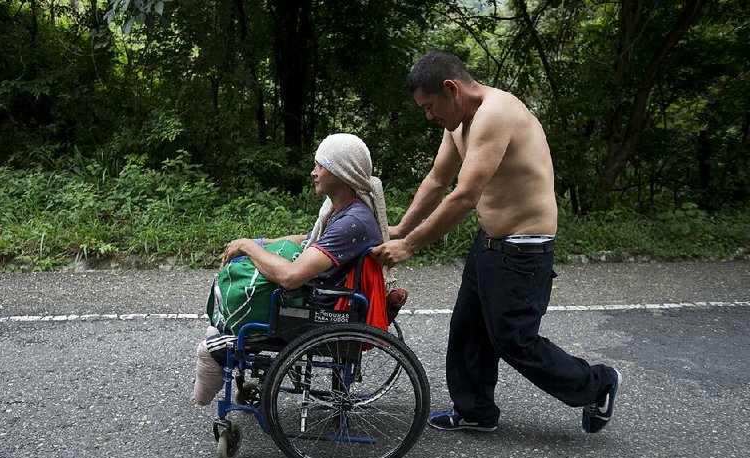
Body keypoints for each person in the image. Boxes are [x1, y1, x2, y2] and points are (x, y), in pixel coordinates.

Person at [373, 51, 621, 434]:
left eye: (429, 106)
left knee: (514, 340)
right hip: (489, 243)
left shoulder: (496, 113)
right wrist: (402, 228)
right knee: (468, 329)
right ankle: (475, 412)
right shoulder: (457, 123)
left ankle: (597, 384)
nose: (428, 116)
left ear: (451, 89)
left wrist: (410, 246)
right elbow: (438, 180)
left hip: (525, 249)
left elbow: (464, 195)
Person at [193, 133, 393, 406]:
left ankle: (210, 375)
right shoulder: (344, 210)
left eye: (320, 165)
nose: (314, 172)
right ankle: (223, 336)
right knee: (220, 324)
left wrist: (250, 248)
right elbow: (311, 241)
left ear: (340, 171)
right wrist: (262, 242)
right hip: (324, 298)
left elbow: (290, 277)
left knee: (211, 344)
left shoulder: (352, 222)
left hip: (315, 310)